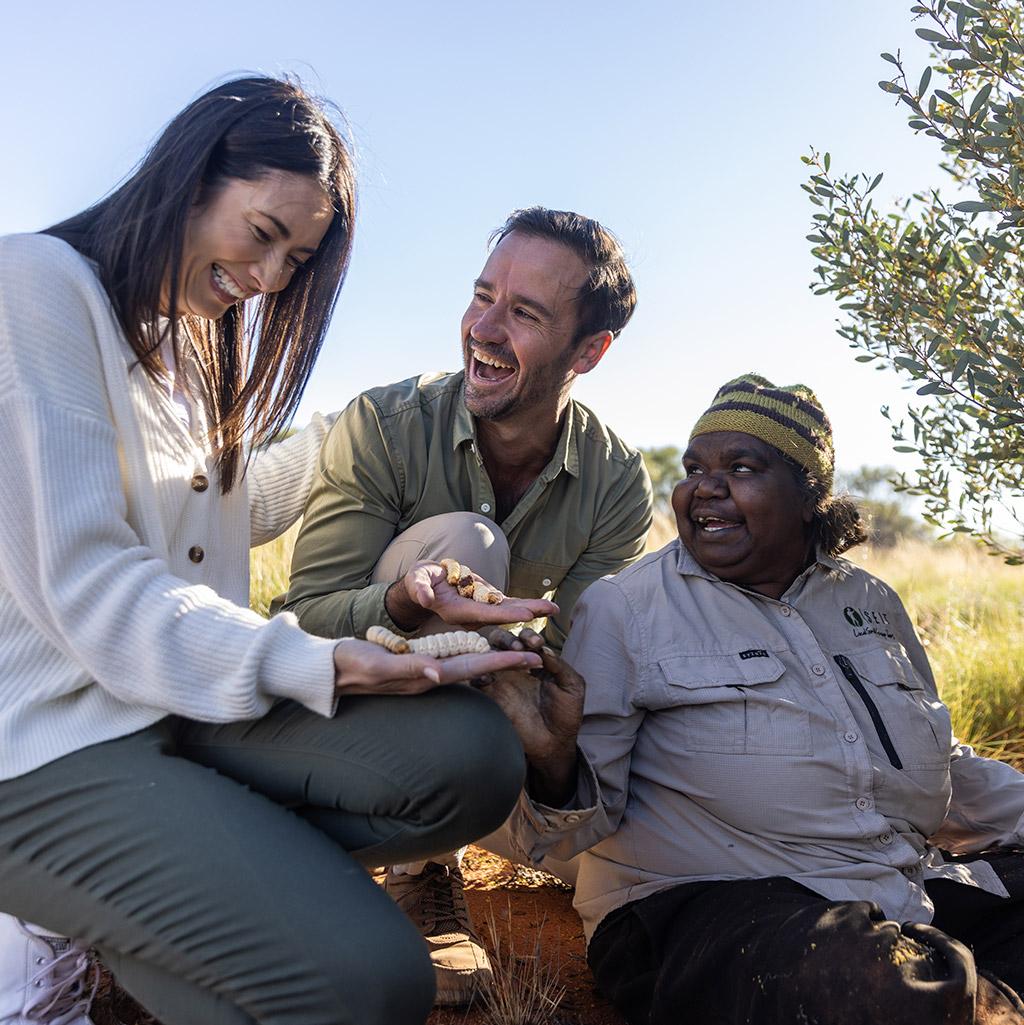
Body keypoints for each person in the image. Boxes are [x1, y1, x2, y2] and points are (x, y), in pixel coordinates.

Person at [0, 76, 551, 1025]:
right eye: (262, 236)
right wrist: (321, 659)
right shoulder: (34, 290)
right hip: (41, 747)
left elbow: (217, 502)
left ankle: (154, 911)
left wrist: (379, 418)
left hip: (162, 705)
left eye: (293, 261)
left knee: (470, 757)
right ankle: (55, 921)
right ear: (188, 175)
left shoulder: (186, 338)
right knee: (369, 982)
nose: (268, 279)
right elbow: (89, 583)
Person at [489, 374, 1024, 1025]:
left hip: (892, 898)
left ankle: (961, 992)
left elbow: (936, 759)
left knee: (898, 969)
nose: (702, 487)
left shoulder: (871, 603)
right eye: (693, 468)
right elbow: (565, 829)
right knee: (868, 987)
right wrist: (552, 763)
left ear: (809, 495)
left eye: (740, 466)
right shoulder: (628, 606)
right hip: (703, 909)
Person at [274, 206, 653, 1004]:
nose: (484, 327)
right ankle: (386, 863)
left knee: (622, 807)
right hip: (347, 690)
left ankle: (440, 845)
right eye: (483, 295)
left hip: (483, 703)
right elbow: (305, 613)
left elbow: (582, 655)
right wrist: (414, 606)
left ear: (590, 349)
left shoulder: (616, 482)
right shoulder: (383, 424)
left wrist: (541, 722)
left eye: (523, 313)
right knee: (469, 549)